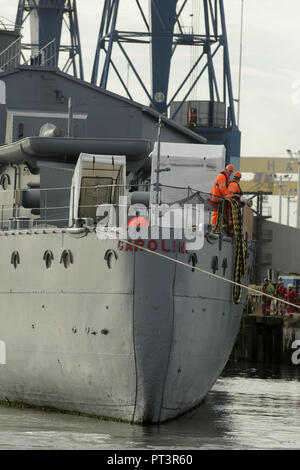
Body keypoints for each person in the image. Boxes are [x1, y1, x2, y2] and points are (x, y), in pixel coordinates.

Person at [209, 164, 234, 232]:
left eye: (231, 171)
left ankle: (222, 228)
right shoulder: (222, 176)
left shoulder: (226, 177)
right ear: (226, 170)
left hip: (220, 198)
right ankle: (214, 229)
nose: (230, 172)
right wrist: (229, 198)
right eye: (229, 171)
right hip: (216, 198)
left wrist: (230, 196)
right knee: (216, 213)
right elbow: (222, 189)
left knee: (222, 212)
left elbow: (226, 189)